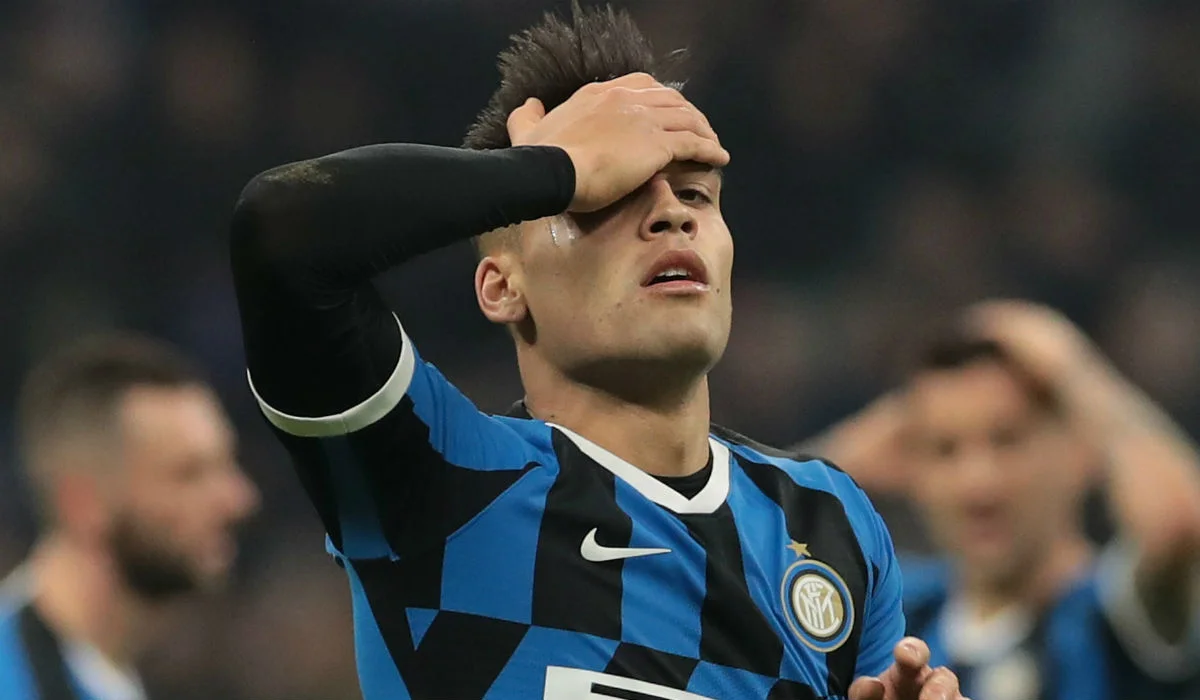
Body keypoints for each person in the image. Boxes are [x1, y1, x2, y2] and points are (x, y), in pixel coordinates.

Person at [227, 4, 966, 700]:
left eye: (696, 196)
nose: (671, 215)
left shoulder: (828, 519)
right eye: (607, 198)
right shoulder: (441, 483)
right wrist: (553, 169)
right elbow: (283, 234)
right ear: (502, 288)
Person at [801, 300, 1200, 699]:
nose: (978, 484)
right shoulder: (896, 609)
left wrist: (1075, 372)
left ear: (1080, 449)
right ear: (907, 468)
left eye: (1007, 441)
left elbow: (1177, 524)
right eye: (945, 449)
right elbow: (765, 541)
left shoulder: (1117, 613)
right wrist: (866, 441)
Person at [0, 334, 260, 700]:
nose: (240, 500)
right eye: (188, 475)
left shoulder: (109, 673)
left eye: (226, 465)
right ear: (82, 504)